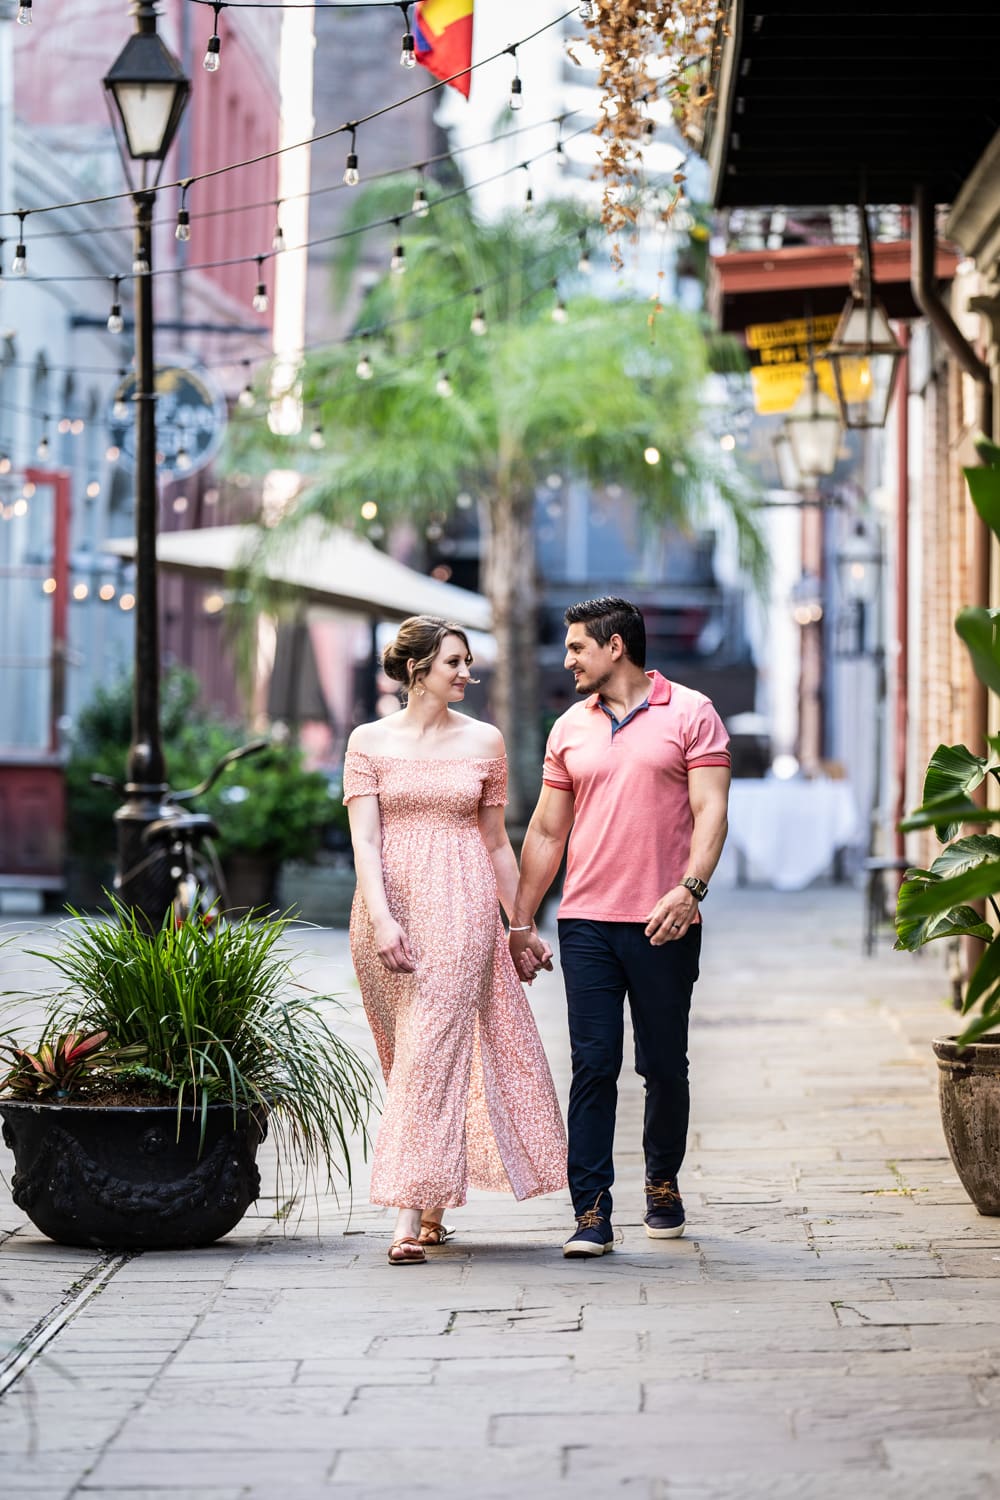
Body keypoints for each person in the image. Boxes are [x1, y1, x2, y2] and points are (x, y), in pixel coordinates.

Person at [509, 597, 730, 1258]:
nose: (568, 658)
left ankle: (662, 1182)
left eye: (578, 647)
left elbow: (711, 809)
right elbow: (548, 831)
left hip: (666, 921)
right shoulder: (569, 727)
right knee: (594, 1063)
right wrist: (521, 921)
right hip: (586, 925)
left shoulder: (692, 713)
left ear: (615, 648)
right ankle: (592, 1210)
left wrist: (690, 890)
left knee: (663, 1064)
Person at [343, 615, 567, 1265]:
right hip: (387, 910)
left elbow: (497, 841)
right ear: (418, 671)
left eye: (468, 662)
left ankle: (406, 1218)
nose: (467, 672)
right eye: (454, 662)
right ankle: (435, 1200)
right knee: (410, 1054)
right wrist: (383, 919)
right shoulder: (368, 741)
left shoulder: (484, 741)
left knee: (428, 1051)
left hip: (463, 908)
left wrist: (520, 922)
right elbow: (367, 840)